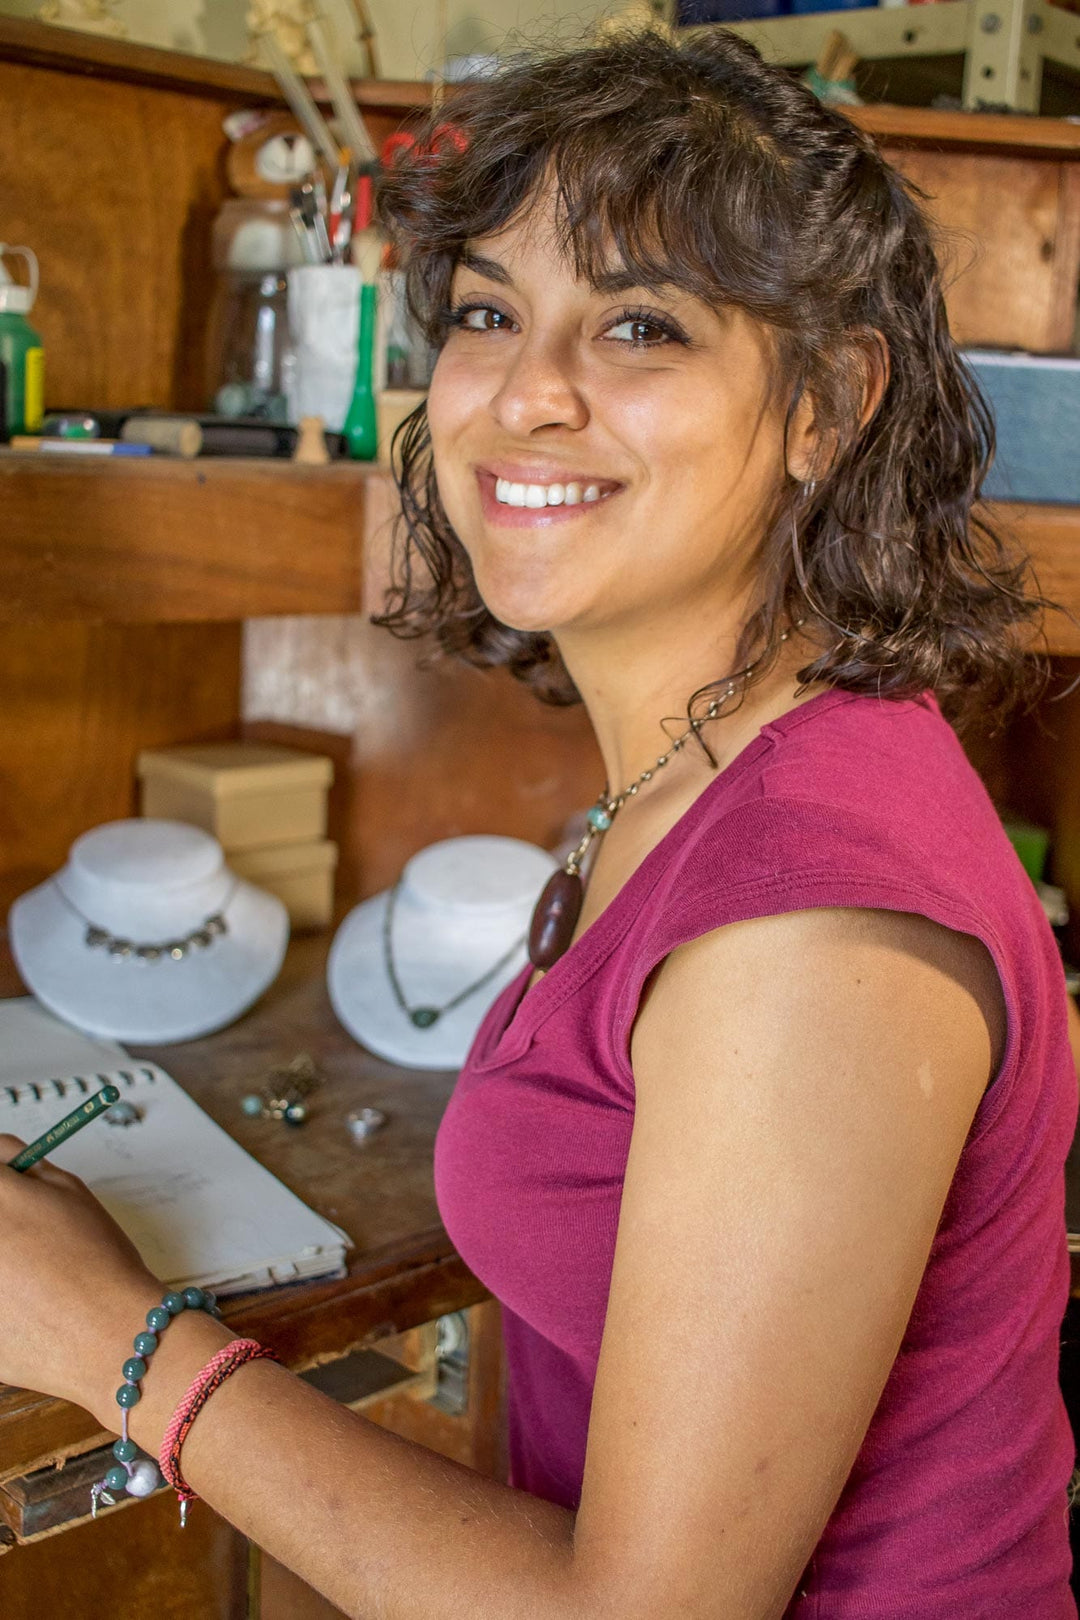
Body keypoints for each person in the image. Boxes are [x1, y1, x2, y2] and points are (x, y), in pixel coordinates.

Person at [0, 25, 1075, 1619]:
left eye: (641, 326)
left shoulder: (808, 933)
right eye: (491, 313)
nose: (527, 393)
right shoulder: (725, 758)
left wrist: (106, 1337)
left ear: (827, 407)